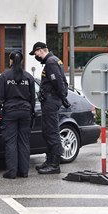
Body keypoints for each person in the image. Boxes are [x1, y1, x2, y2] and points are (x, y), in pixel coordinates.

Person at [29, 42, 70, 174]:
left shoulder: (51, 62)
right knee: (47, 130)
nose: (35, 56)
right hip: (51, 100)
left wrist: (61, 96)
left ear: (40, 50)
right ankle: (49, 160)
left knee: (51, 131)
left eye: (35, 53)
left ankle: (54, 164)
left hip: (51, 100)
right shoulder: (53, 61)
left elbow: (58, 82)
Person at [0, 50, 35, 179]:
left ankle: (11, 172)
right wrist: (31, 111)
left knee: (11, 142)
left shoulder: (4, 77)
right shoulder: (28, 77)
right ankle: (24, 172)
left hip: (10, 113)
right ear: (22, 61)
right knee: (24, 142)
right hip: (25, 112)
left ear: (10, 61)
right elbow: (33, 98)